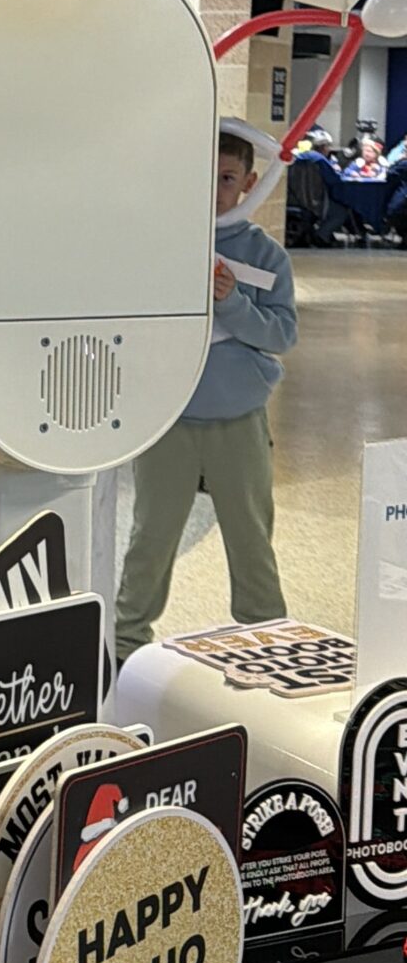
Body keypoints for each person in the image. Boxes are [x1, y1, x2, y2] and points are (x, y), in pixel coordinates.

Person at [115, 126, 296, 663]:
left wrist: (234, 303)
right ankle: (126, 647)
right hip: (169, 416)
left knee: (251, 539)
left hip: (238, 418)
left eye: (227, 178)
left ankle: (267, 640)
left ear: (249, 183)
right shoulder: (161, 242)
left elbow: (283, 335)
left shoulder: (266, 256)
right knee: (151, 538)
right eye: (204, 176)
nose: (214, 189)